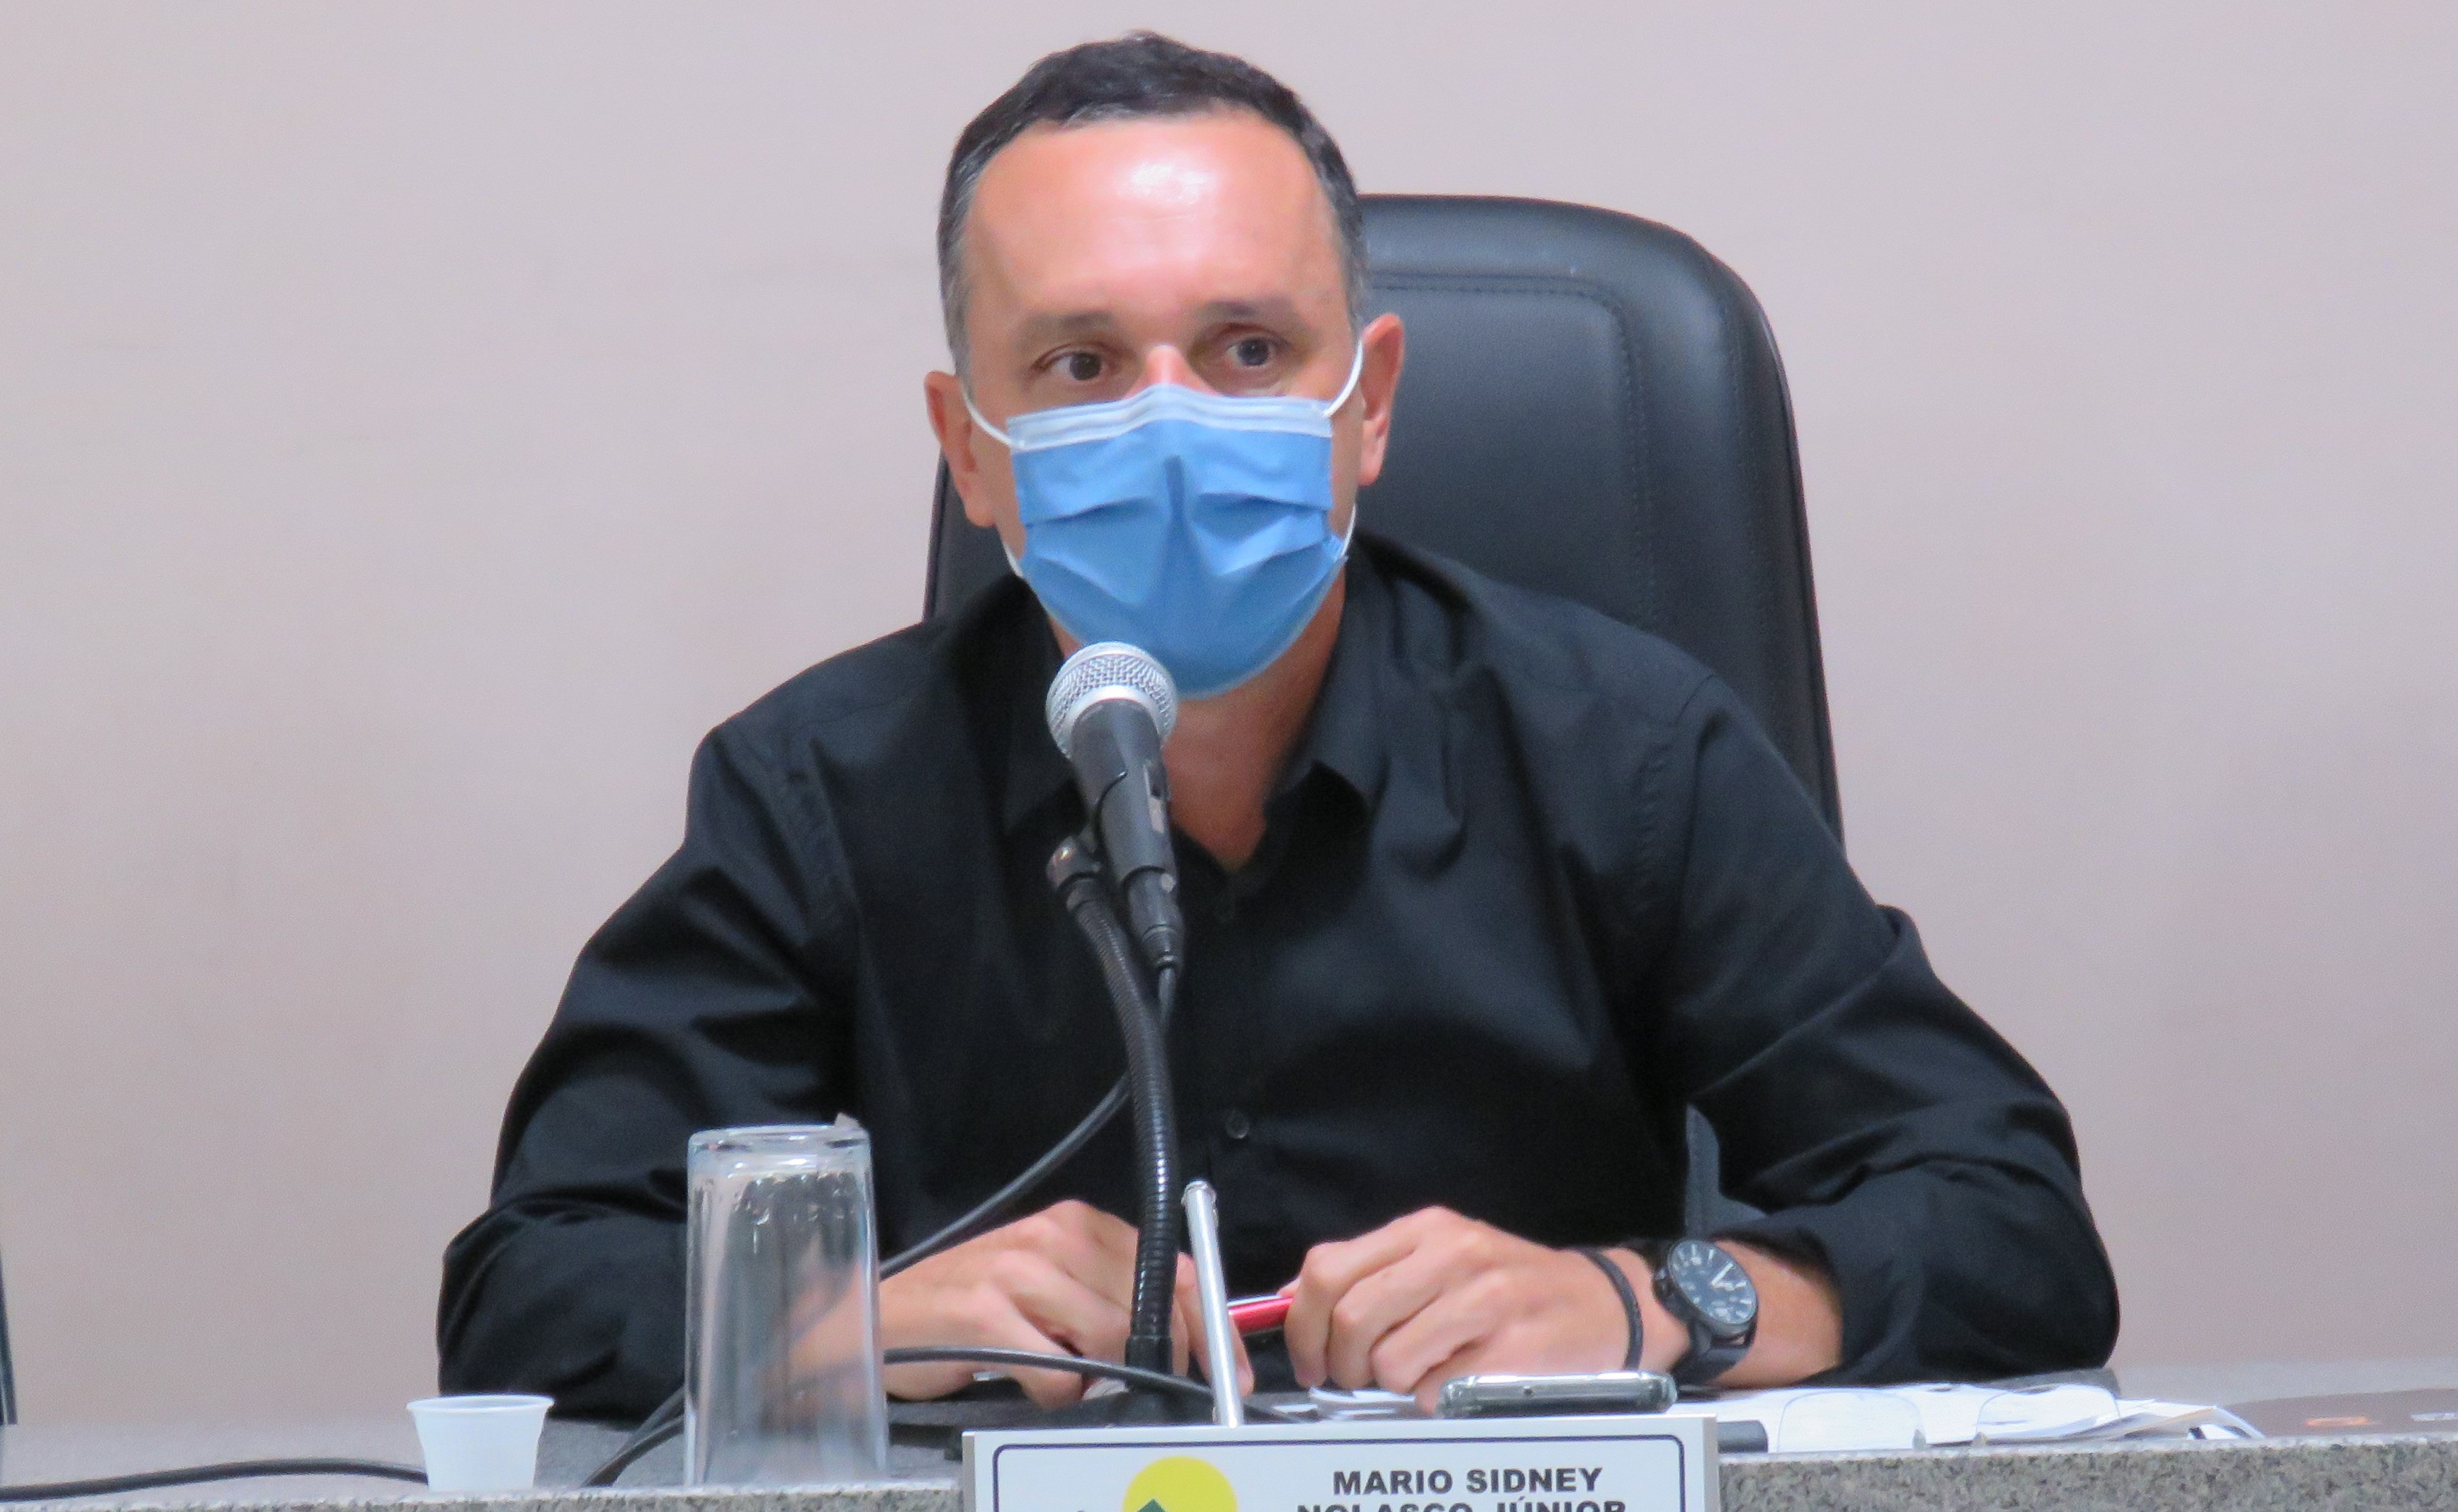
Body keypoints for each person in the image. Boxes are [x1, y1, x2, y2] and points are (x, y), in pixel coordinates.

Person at [438, 33, 2117, 1421]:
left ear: (1365, 403)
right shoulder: (819, 788)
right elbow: (528, 1287)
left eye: (1249, 348)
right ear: (967, 447)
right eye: (1082, 364)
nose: (1171, 423)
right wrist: (850, 1324)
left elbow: (2012, 1225)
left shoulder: (1624, 751)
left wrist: (1647, 1300)